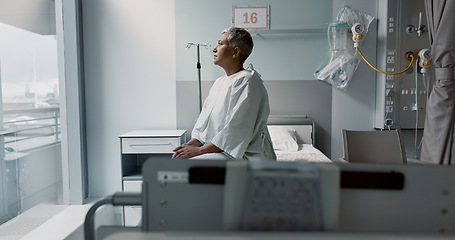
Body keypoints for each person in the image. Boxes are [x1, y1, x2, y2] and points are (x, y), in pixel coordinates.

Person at [172, 27, 276, 160]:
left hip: (244, 154)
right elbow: (203, 124)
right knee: (177, 159)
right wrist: (187, 147)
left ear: (235, 52)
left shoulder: (247, 81)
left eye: (220, 44)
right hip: (218, 149)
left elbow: (235, 131)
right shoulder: (219, 82)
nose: (214, 49)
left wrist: (199, 151)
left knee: (190, 166)